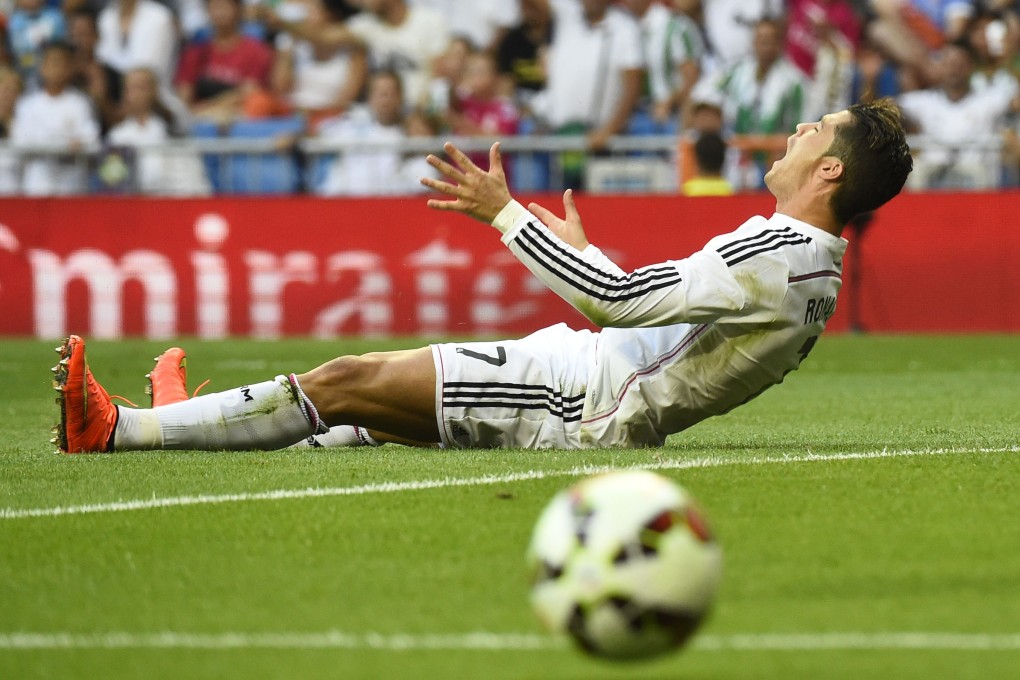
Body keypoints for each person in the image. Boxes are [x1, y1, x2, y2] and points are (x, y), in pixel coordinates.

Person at [53, 99, 912, 454]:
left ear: (830, 173)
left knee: (345, 383)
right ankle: (179, 420)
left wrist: (500, 211)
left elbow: (614, 306)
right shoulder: (802, 264)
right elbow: (661, 322)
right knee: (348, 430)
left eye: (818, 129)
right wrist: (590, 255)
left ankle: (119, 430)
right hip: (591, 384)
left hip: (581, 403)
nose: (800, 129)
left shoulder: (779, 255)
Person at [10, 40, 100, 196]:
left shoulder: (80, 103)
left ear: (70, 69)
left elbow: (90, 137)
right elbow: (20, 140)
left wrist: (76, 143)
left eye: (61, 64)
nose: (56, 69)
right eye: (52, 63)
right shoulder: (27, 104)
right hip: (37, 184)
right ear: (42, 67)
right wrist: (61, 143)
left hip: (71, 185)